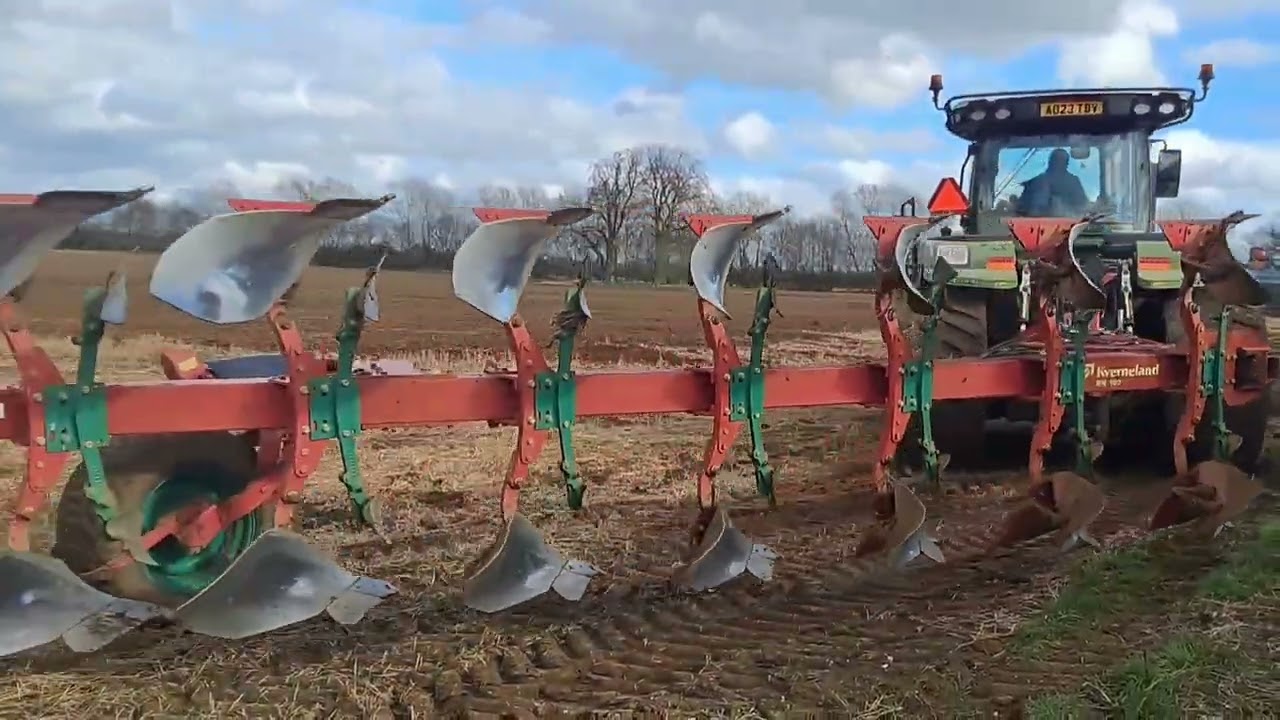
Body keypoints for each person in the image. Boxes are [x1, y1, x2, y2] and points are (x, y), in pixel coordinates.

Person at [1016, 148, 1090, 216]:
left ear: (1066, 163)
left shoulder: (1073, 182)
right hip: (1032, 223)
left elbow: (1083, 207)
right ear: (1050, 162)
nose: (1058, 163)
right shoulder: (1035, 182)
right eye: (1056, 160)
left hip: (1071, 223)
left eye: (1061, 161)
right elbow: (1020, 209)